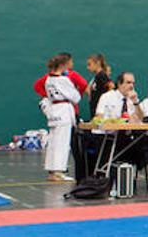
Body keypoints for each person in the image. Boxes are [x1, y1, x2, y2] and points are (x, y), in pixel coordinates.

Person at [38, 54, 81, 182]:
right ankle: (58, 172)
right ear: (63, 65)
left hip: (54, 111)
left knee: (53, 143)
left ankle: (52, 171)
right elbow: (76, 97)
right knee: (62, 143)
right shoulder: (63, 80)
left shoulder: (48, 80)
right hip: (63, 112)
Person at [85, 53, 112, 118]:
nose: (87, 68)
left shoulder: (102, 75)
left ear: (98, 63)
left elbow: (111, 86)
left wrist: (105, 102)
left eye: (89, 65)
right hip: (94, 109)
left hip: (100, 112)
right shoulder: (97, 77)